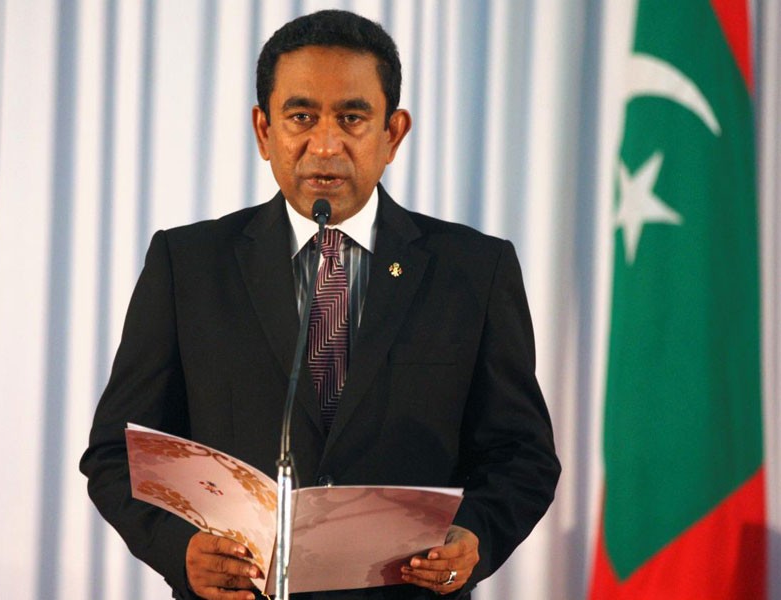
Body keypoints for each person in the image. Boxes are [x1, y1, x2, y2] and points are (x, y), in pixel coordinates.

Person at [80, 9, 559, 600]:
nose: (326, 144)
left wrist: (474, 536)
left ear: (393, 133)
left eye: (352, 118)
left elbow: (522, 455)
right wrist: (180, 551)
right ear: (264, 130)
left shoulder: (474, 270)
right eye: (301, 117)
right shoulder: (189, 265)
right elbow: (117, 452)